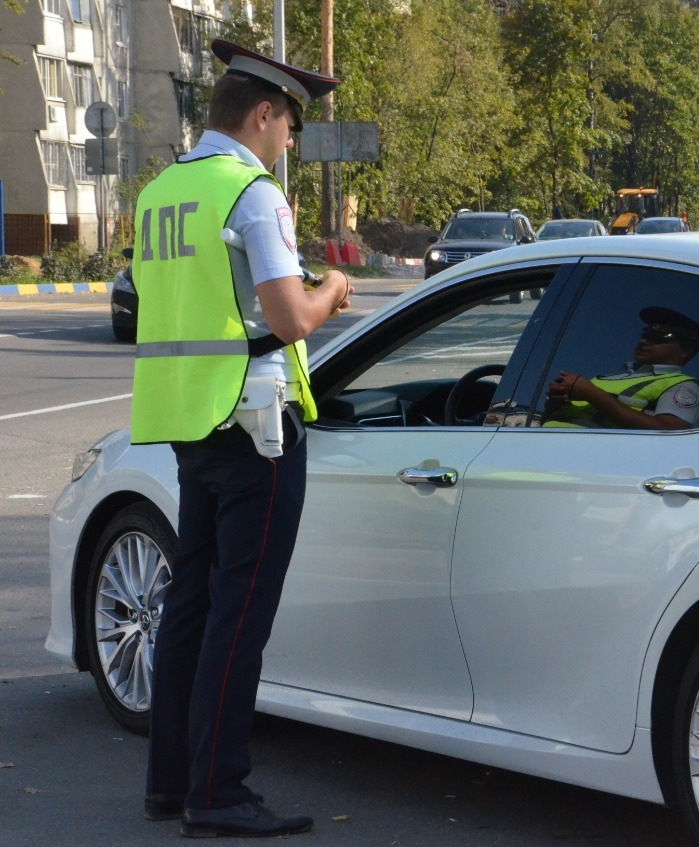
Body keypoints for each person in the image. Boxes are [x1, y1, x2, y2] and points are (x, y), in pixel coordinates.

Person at [129, 39, 349, 839]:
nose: (288, 140)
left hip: (190, 423)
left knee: (189, 605)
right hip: (256, 427)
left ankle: (171, 782)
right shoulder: (251, 194)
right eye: (287, 124)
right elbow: (289, 316)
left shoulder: (163, 192)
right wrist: (332, 289)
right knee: (238, 615)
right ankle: (218, 791)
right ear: (261, 115)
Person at [543, 306, 699, 430]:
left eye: (658, 338)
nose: (644, 341)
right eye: (645, 336)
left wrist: (590, 393)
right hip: (544, 458)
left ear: (686, 351)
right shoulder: (606, 378)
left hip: (585, 468)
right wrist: (556, 402)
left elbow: (671, 432)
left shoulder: (682, 386)